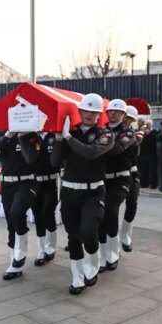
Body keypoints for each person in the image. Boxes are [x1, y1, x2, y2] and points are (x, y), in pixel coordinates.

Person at [51, 93, 114, 295]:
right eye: (86, 110)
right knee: (73, 236)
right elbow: (54, 163)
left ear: (99, 114)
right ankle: (77, 276)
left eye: (94, 112)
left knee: (89, 231)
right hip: (69, 191)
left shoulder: (106, 135)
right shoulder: (71, 133)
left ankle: (92, 266)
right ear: (79, 111)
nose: (89, 114)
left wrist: (68, 138)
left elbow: (90, 153)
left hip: (93, 192)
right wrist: (60, 140)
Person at [0, 130, 39, 280]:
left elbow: (31, 158)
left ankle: (21, 252)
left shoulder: (31, 135)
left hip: (26, 182)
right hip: (7, 184)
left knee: (17, 212)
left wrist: (22, 137)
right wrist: (8, 135)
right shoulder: (3, 134)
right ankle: (15, 262)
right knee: (11, 220)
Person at [97, 99, 137, 272]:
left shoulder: (128, 131)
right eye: (110, 111)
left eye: (116, 111)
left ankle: (113, 252)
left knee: (111, 211)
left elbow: (115, 149)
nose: (112, 113)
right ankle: (103, 252)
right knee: (99, 216)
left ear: (123, 114)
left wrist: (98, 146)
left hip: (121, 178)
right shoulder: (101, 130)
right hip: (102, 179)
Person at [32, 131, 60, 266]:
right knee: (37, 214)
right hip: (35, 182)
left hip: (52, 181)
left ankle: (51, 246)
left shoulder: (53, 136)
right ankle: (41, 249)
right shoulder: (31, 135)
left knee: (47, 211)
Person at [119, 107, 145, 252]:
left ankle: (126, 236)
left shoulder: (135, 133)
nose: (125, 119)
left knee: (132, 204)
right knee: (111, 209)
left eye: (129, 118)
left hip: (132, 172)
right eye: (125, 116)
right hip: (115, 175)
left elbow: (135, 141)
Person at [138, 117, 158, 188]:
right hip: (143, 153)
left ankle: (153, 184)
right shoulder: (142, 132)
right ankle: (144, 183)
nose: (147, 126)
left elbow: (156, 139)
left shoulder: (154, 132)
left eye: (148, 124)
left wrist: (150, 133)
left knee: (152, 170)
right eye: (146, 124)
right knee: (143, 169)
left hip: (152, 154)